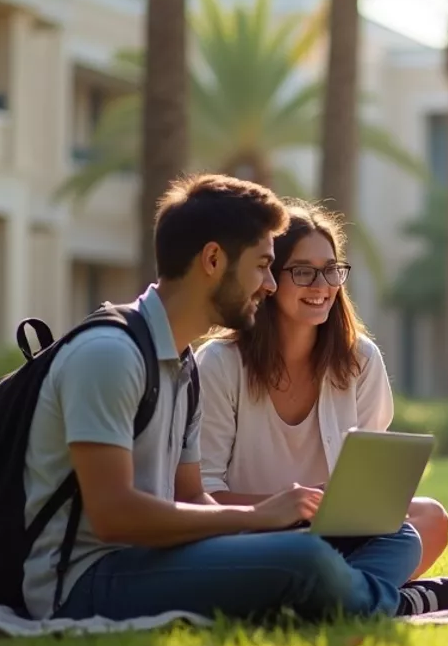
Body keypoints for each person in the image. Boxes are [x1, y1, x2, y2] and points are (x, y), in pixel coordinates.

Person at [23, 174, 422, 622]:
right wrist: (256, 518)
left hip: (160, 556)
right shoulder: (110, 356)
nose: (270, 285)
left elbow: (193, 497)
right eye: (261, 266)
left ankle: (337, 601)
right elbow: (114, 515)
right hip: (87, 579)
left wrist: (269, 521)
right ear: (213, 260)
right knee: (301, 558)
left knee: (398, 537)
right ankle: (386, 603)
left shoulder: (182, 365)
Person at [194, 200, 448, 615]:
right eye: (303, 271)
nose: (321, 284)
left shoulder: (360, 358)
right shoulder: (221, 363)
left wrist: (343, 504)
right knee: (312, 554)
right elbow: (203, 492)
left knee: (428, 521)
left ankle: (322, 599)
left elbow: (373, 486)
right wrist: (286, 504)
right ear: (268, 278)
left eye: (331, 269)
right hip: (251, 532)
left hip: (338, 534)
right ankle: (388, 602)